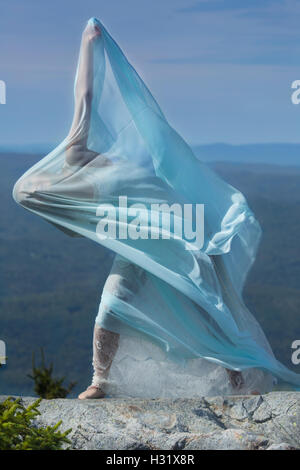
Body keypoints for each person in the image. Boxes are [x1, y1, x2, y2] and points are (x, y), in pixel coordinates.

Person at [13, 18, 300, 399]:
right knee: (112, 304)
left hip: (184, 228)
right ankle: (101, 382)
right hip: (141, 243)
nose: (45, 190)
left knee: (208, 306)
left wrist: (89, 42)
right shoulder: (82, 217)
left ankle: (240, 381)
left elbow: (84, 95)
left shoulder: (77, 152)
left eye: (41, 189)